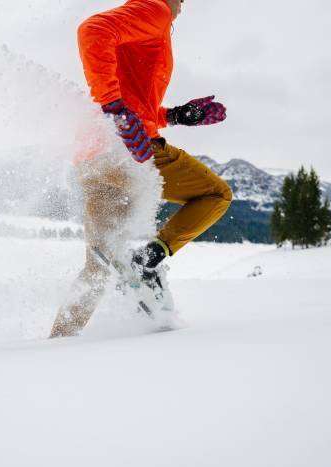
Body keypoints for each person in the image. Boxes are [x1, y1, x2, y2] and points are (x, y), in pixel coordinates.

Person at [50, 0, 232, 338]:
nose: (182, 7)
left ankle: (59, 340)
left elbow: (137, 104)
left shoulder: (140, 21)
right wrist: (115, 109)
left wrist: (175, 115)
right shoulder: (155, 9)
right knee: (216, 194)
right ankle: (150, 258)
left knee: (99, 263)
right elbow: (92, 30)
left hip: (94, 158)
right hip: (133, 152)